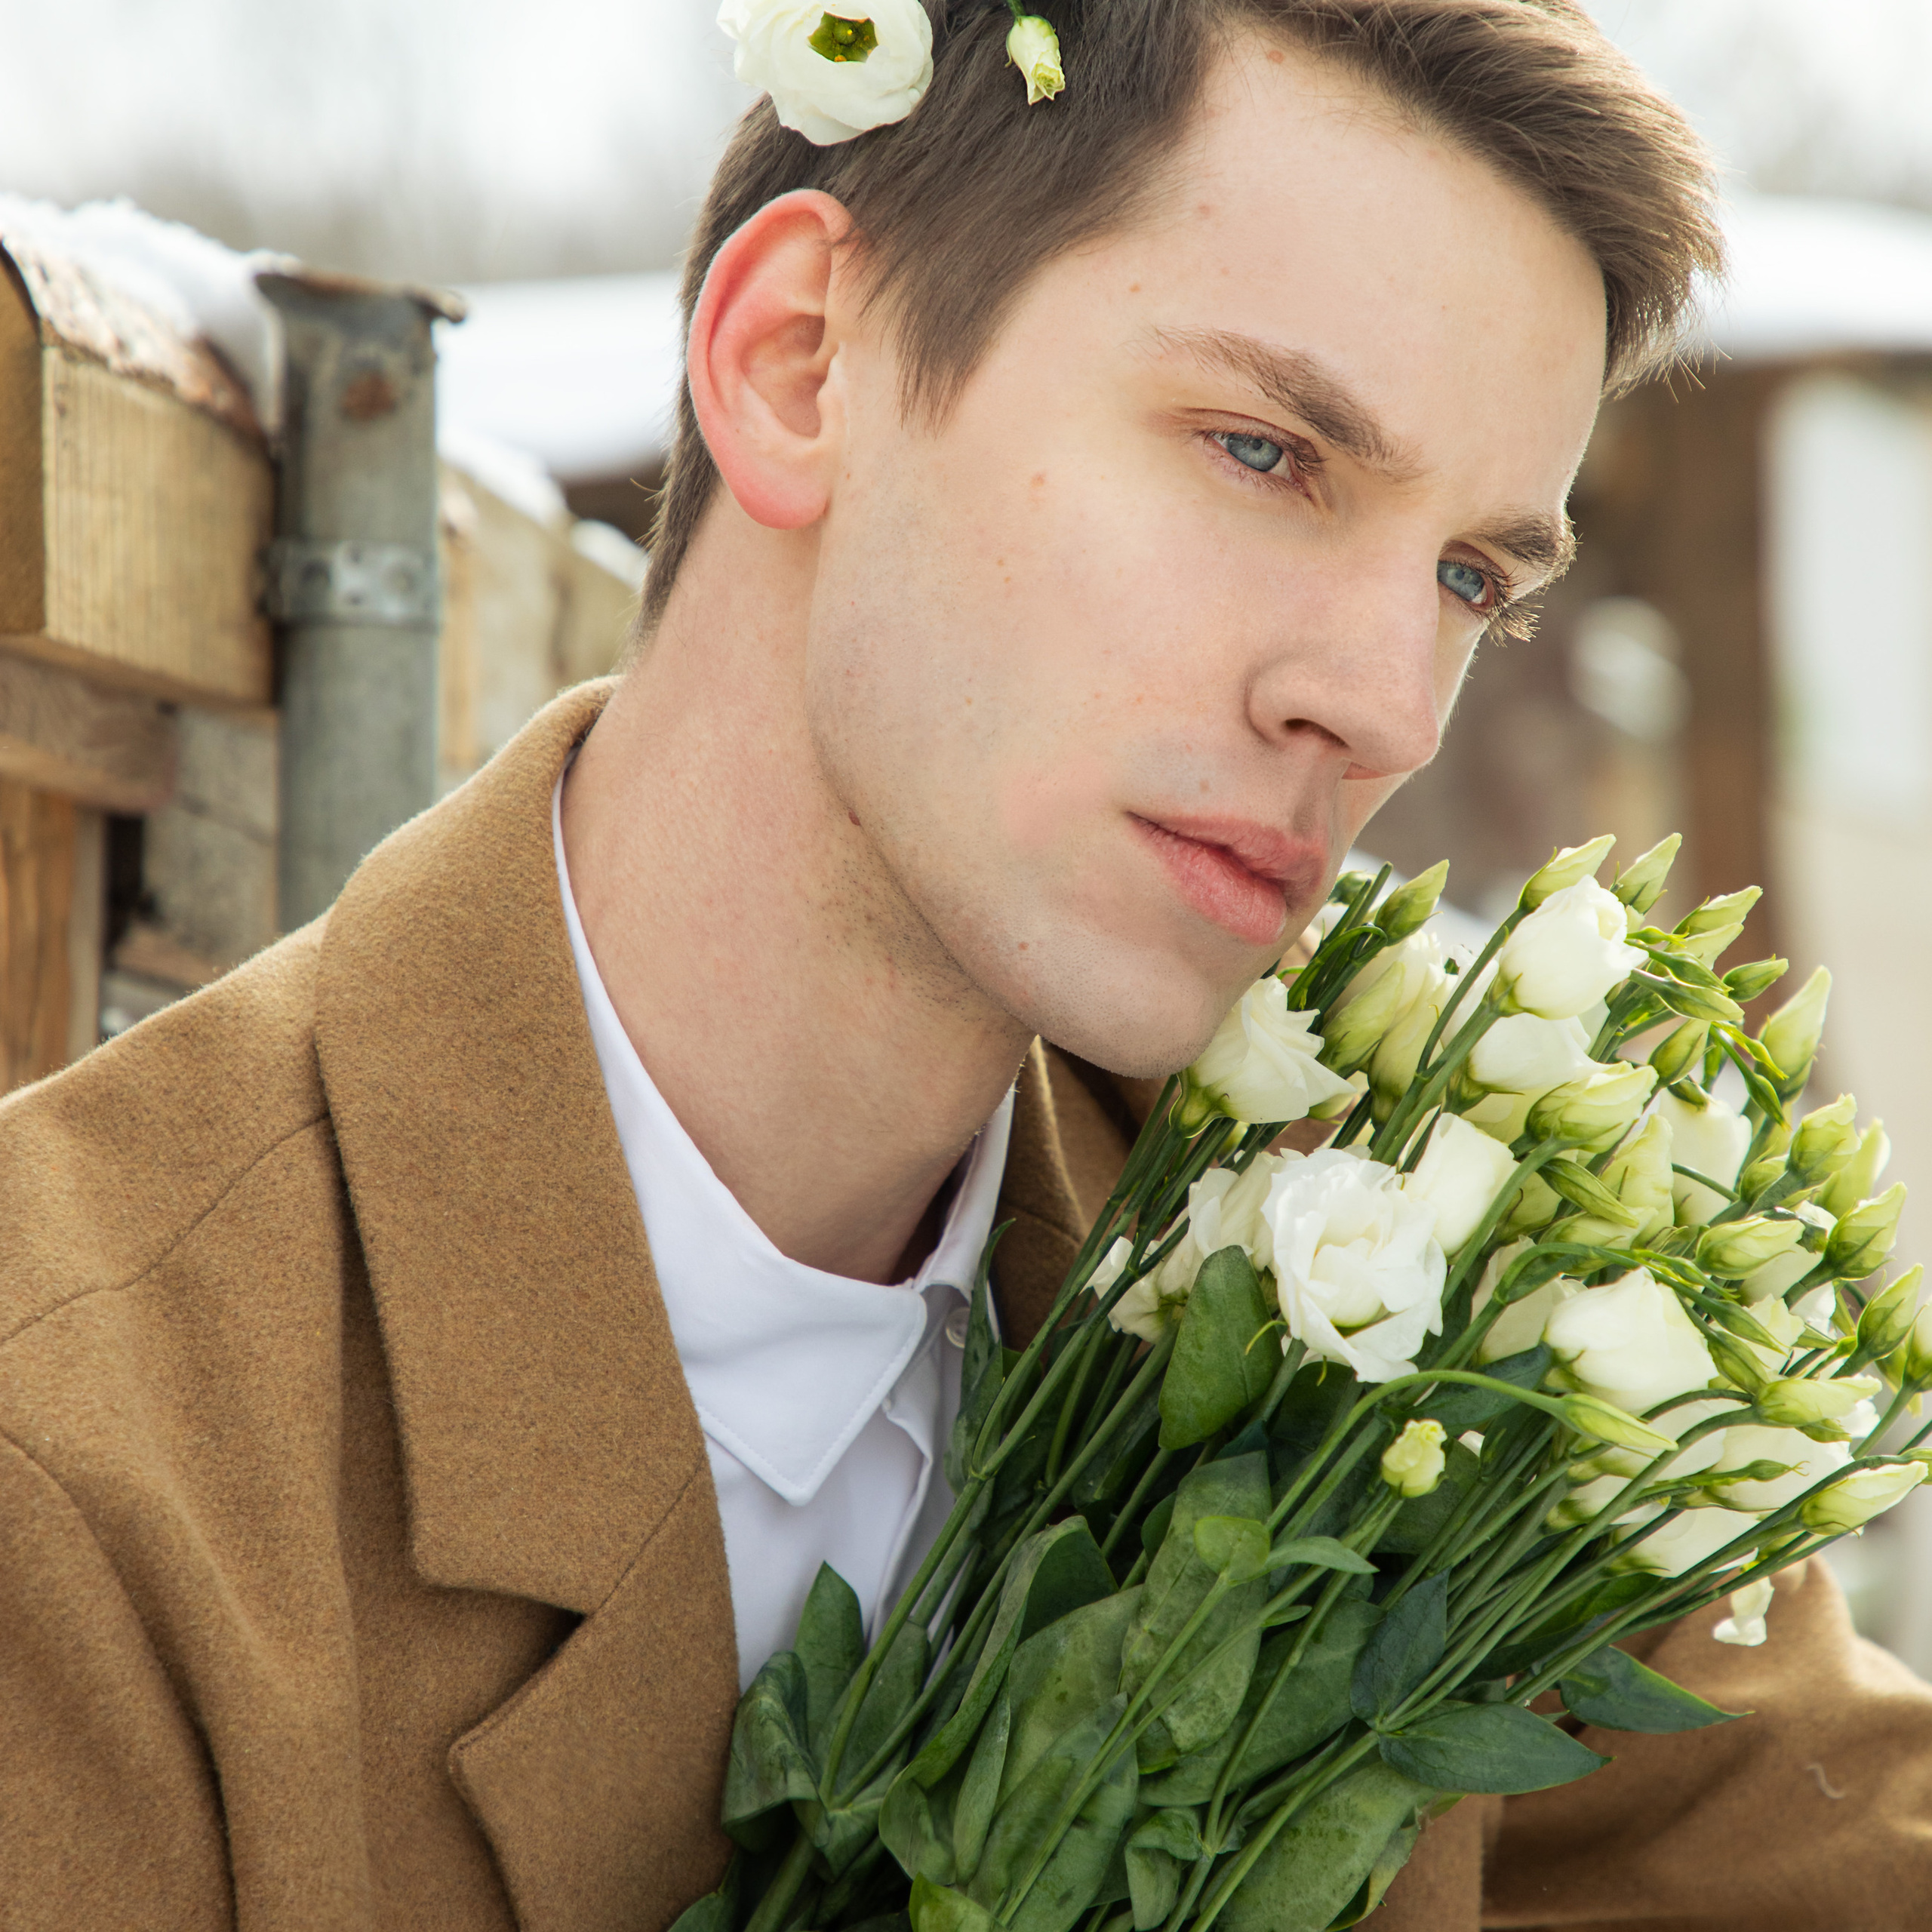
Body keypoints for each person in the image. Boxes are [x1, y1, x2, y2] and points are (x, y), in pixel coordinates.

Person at [5, 0, 1930, 1925]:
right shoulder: (78, 1480)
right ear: (793, 363)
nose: (1381, 708)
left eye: (1467, 580)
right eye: (1263, 450)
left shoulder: (1386, 1272)